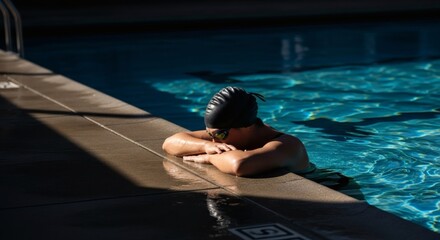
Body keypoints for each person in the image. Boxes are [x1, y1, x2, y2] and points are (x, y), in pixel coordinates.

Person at [162, 86, 310, 177]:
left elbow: (240, 164)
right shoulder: (222, 136)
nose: (215, 141)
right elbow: (170, 142)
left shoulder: (289, 145)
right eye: (210, 135)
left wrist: (209, 157)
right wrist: (206, 146)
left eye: (220, 135)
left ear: (245, 127)